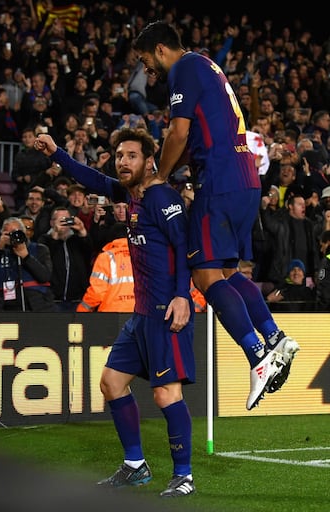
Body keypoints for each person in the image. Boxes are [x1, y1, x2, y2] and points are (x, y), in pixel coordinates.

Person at [133, 20, 299, 411]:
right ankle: (274, 337)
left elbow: (178, 133)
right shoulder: (207, 66)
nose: (146, 70)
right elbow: (194, 139)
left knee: (205, 275)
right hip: (245, 180)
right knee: (227, 272)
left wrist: (158, 176)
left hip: (220, 182)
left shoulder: (183, 69)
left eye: (145, 60)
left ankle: (258, 355)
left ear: (160, 49)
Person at [34, 129, 196, 498]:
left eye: (131, 155)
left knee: (166, 394)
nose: (122, 161)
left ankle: (184, 476)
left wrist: (183, 295)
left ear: (149, 160)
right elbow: (91, 177)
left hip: (166, 313)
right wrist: (57, 152)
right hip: (140, 316)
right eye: (119, 154)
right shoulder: (128, 194)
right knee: (111, 382)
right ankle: (136, 466)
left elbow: (184, 246)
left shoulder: (161, 197)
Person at [0, 216, 55, 312]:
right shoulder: (0, 253)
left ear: (24, 233)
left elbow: (44, 276)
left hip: (36, 303)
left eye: (15, 233)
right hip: (5, 304)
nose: (12, 237)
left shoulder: (39, 249)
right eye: (8, 234)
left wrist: (26, 256)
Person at [37, 206, 93, 312]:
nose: (63, 223)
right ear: (52, 222)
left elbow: (89, 251)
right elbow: (44, 256)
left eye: (66, 219)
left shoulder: (76, 239)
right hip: (53, 300)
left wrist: (82, 230)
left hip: (77, 300)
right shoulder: (44, 239)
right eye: (60, 220)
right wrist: (55, 234)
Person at [76, 222, 135, 312]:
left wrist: (82, 310)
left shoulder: (106, 257)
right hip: (140, 313)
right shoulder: (144, 256)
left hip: (112, 314)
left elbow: (97, 291)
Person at [315, 230, 330, 311]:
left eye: (322, 246)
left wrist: (321, 310)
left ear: (328, 243)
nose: (321, 250)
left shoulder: (326, 262)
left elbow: (324, 289)